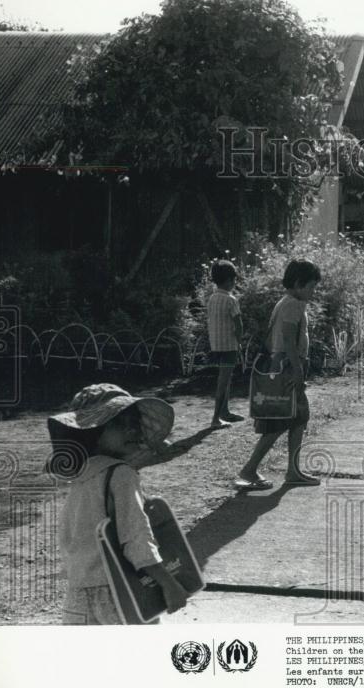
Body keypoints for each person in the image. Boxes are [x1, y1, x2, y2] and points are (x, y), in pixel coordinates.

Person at [49, 383, 188, 624]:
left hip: (78, 594)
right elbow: (136, 536)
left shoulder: (80, 477)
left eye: (134, 424)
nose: (133, 431)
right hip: (118, 591)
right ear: (94, 431)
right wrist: (168, 582)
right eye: (120, 424)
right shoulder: (121, 474)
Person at [237, 259, 323, 489]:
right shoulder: (294, 304)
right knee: (281, 420)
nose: (313, 291)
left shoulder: (285, 302)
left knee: (296, 418)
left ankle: (292, 470)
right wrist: (297, 371)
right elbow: (288, 339)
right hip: (287, 366)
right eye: (311, 286)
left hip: (282, 364)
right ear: (297, 283)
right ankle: (250, 469)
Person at [206, 260, 245, 429]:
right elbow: (239, 325)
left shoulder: (212, 298)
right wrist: (240, 341)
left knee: (225, 379)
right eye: (234, 280)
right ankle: (216, 418)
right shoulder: (231, 300)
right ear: (229, 280)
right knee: (224, 381)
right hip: (229, 346)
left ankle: (225, 412)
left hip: (216, 345)